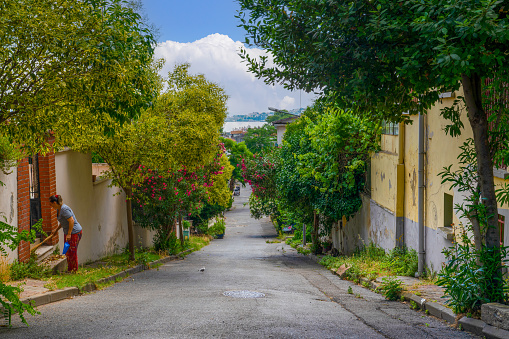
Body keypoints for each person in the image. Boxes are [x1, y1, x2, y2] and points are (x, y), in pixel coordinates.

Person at [49, 195, 83, 272]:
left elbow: (71, 220)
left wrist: (69, 234)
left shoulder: (64, 209)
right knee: (68, 251)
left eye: (51, 204)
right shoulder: (59, 209)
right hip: (68, 233)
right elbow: (63, 222)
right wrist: (56, 230)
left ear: (55, 202)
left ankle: (74, 270)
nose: (51, 206)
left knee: (72, 252)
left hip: (74, 232)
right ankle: (70, 269)